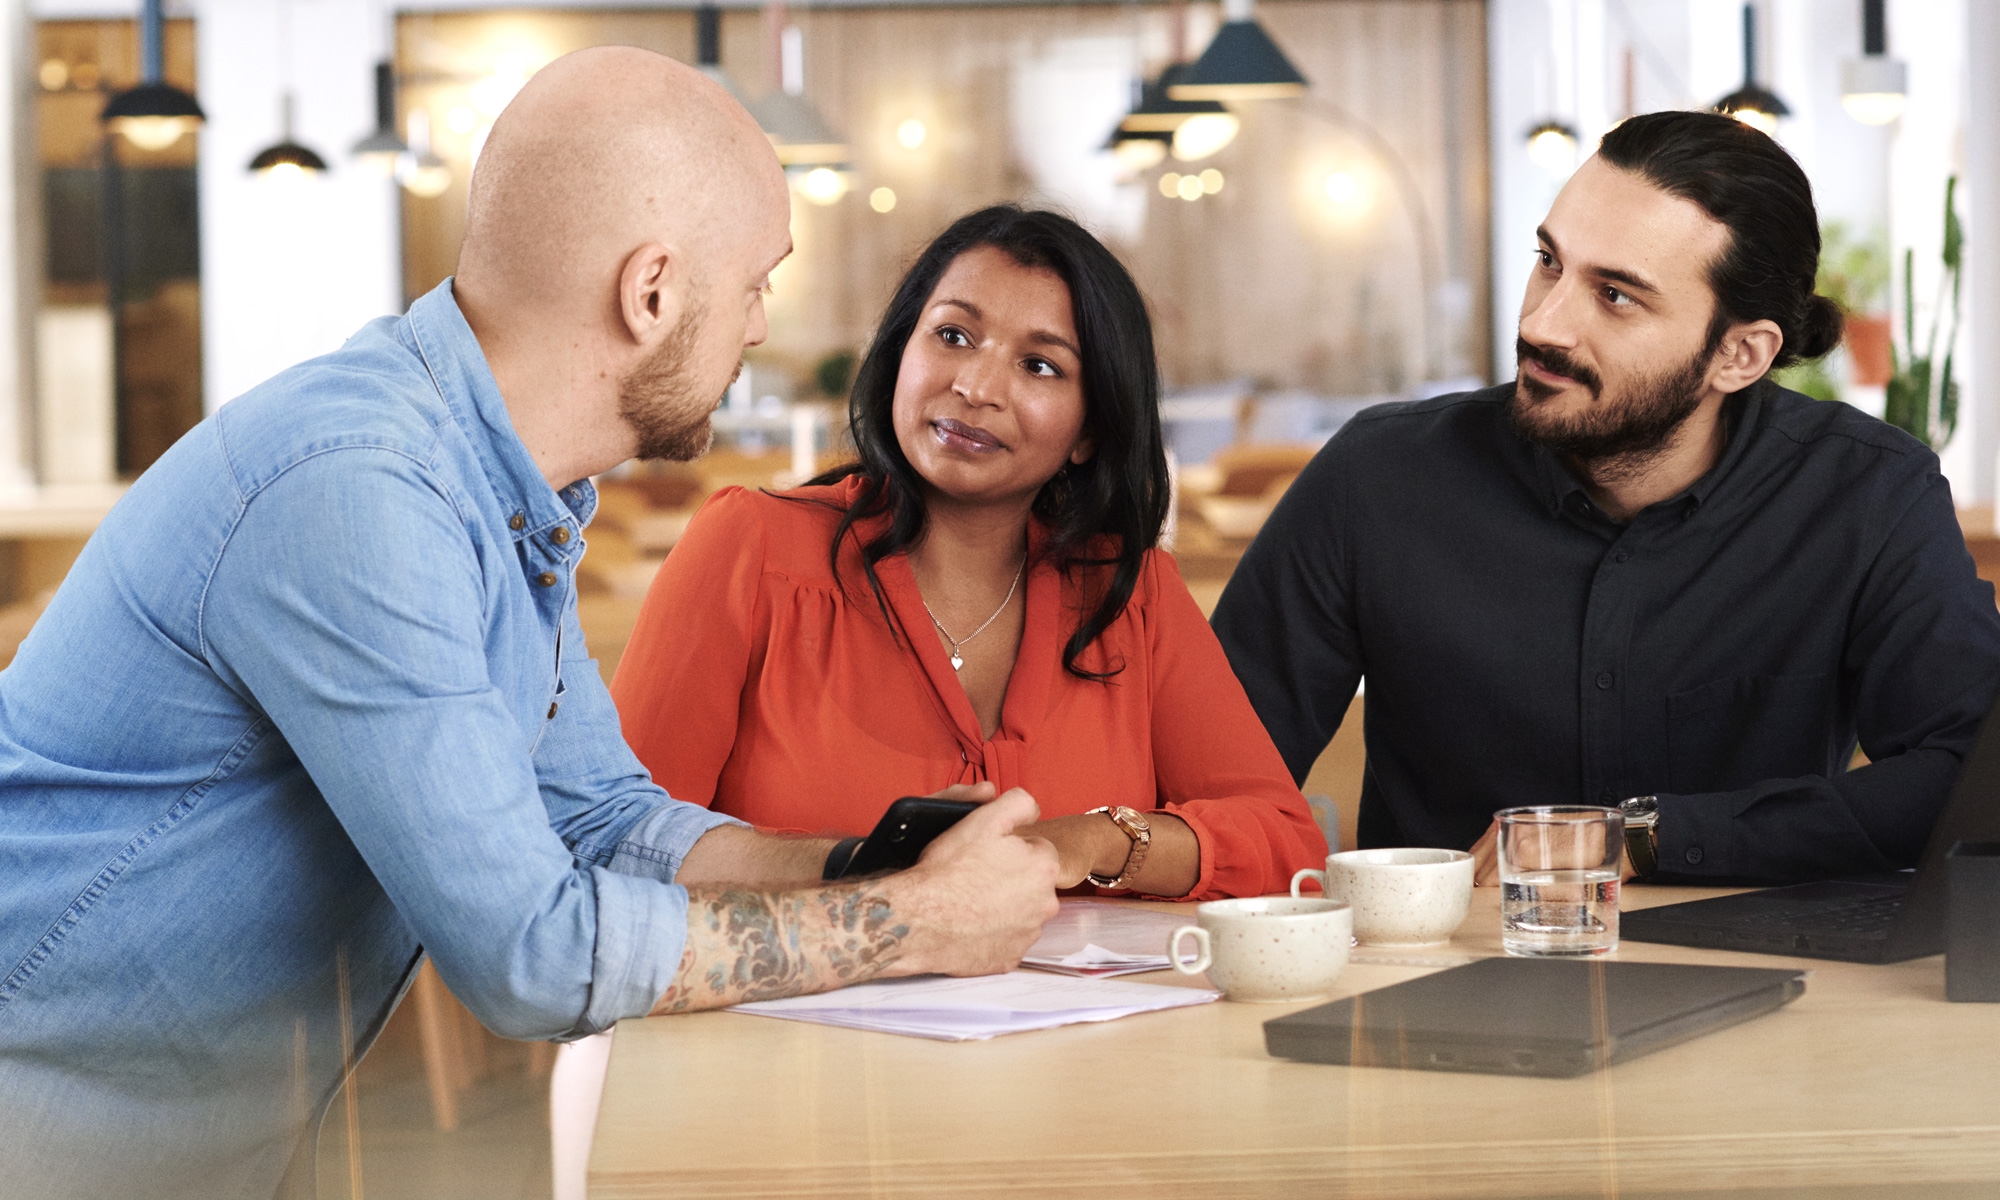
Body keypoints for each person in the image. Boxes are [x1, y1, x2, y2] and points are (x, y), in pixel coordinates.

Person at [0, 49, 1059, 1199]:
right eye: (756, 281)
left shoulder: (503, 488)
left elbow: (602, 819)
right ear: (650, 293)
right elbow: (530, 956)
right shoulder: (358, 489)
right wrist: (908, 922)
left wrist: (873, 863)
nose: (759, 325)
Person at [1212, 110, 2000, 886]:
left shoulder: (1868, 497)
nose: (1543, 324)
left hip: (1766, 980)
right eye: (1550, 262)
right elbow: (1210, 776)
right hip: (1444, 978)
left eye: (1616, 295)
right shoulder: (1377, 478)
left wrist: (1650, 839)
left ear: (1738, 355)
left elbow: (1966, 780)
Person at [611, 206, 1326, 901]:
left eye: (1041, 366)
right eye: (953, 335)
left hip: (1082, 1024)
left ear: (1088, 431)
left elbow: (1285, 844)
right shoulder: (751, 552)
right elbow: (619, 845)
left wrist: (1091, 841)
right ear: (899, 354)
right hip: (789, 1018)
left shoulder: (1129, 592)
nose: (976, 387)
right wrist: (872, 875)